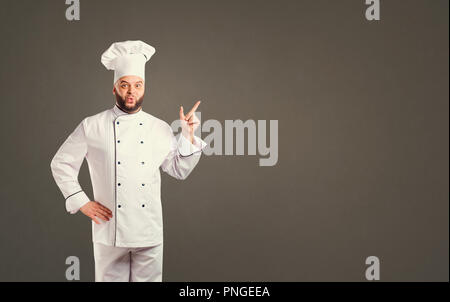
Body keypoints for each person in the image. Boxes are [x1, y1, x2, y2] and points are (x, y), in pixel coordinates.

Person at [50, 40, 207, 282]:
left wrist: (188, 136)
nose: (131, 91)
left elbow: (179, 169)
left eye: (137, 85)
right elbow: (61, 163)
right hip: (109, 232)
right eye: (124, 85)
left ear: (145, 88)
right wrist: (81, 202)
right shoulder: (92, 125)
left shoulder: (159, 128)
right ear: (114, 88)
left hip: (149, 232)